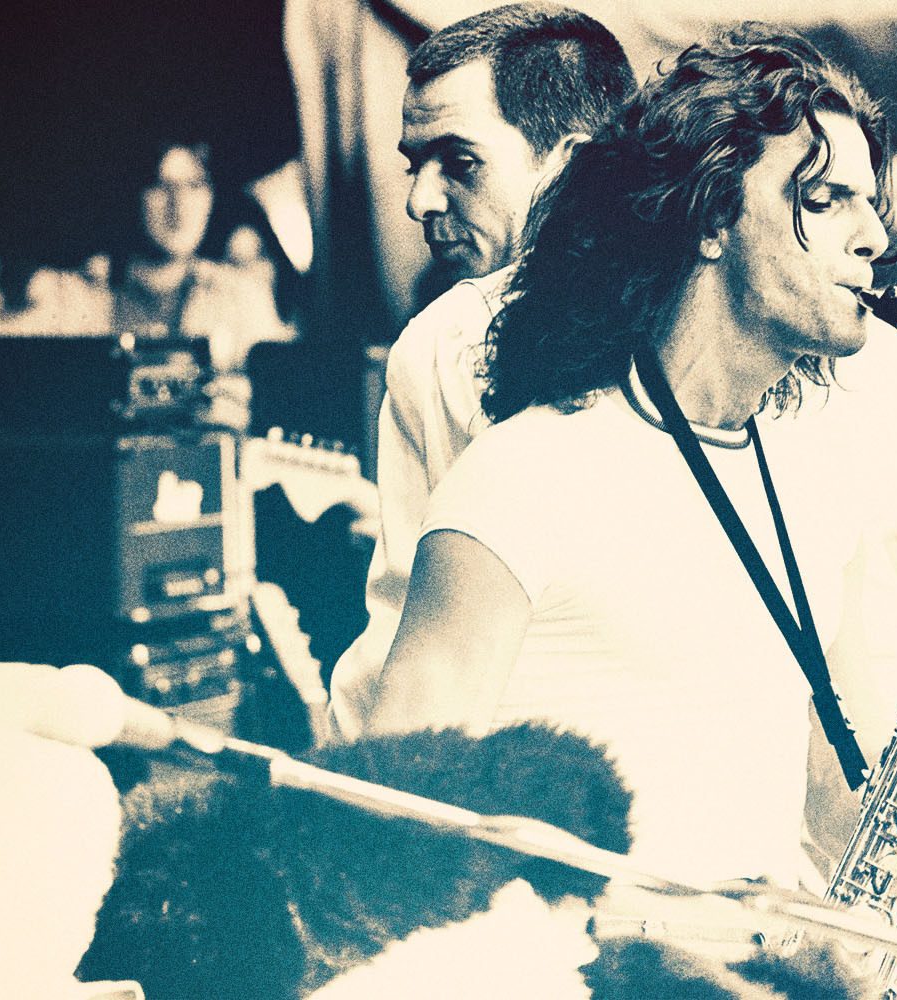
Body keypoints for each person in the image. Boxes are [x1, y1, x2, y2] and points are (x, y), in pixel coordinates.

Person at [365, 24, 897, 930]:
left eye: (870, 199)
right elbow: (388, 834)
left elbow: (837, 806)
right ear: (708, 219)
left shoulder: (813, 475)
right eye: (827, 197)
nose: (875, 234)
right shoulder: (521, 474)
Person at [328, 3, 637, 741]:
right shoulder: (711, 315)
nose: (418, 199)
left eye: (459, 163)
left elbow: (406, 663)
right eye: (414, 165)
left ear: (572, 164)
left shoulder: (451, 337)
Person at [113, 140, 296, 428]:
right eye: (162, 186)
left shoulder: (242, 294)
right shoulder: (85, 296)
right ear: (136, 195)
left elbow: (286, 398)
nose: (179, 203)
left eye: (194, 185)